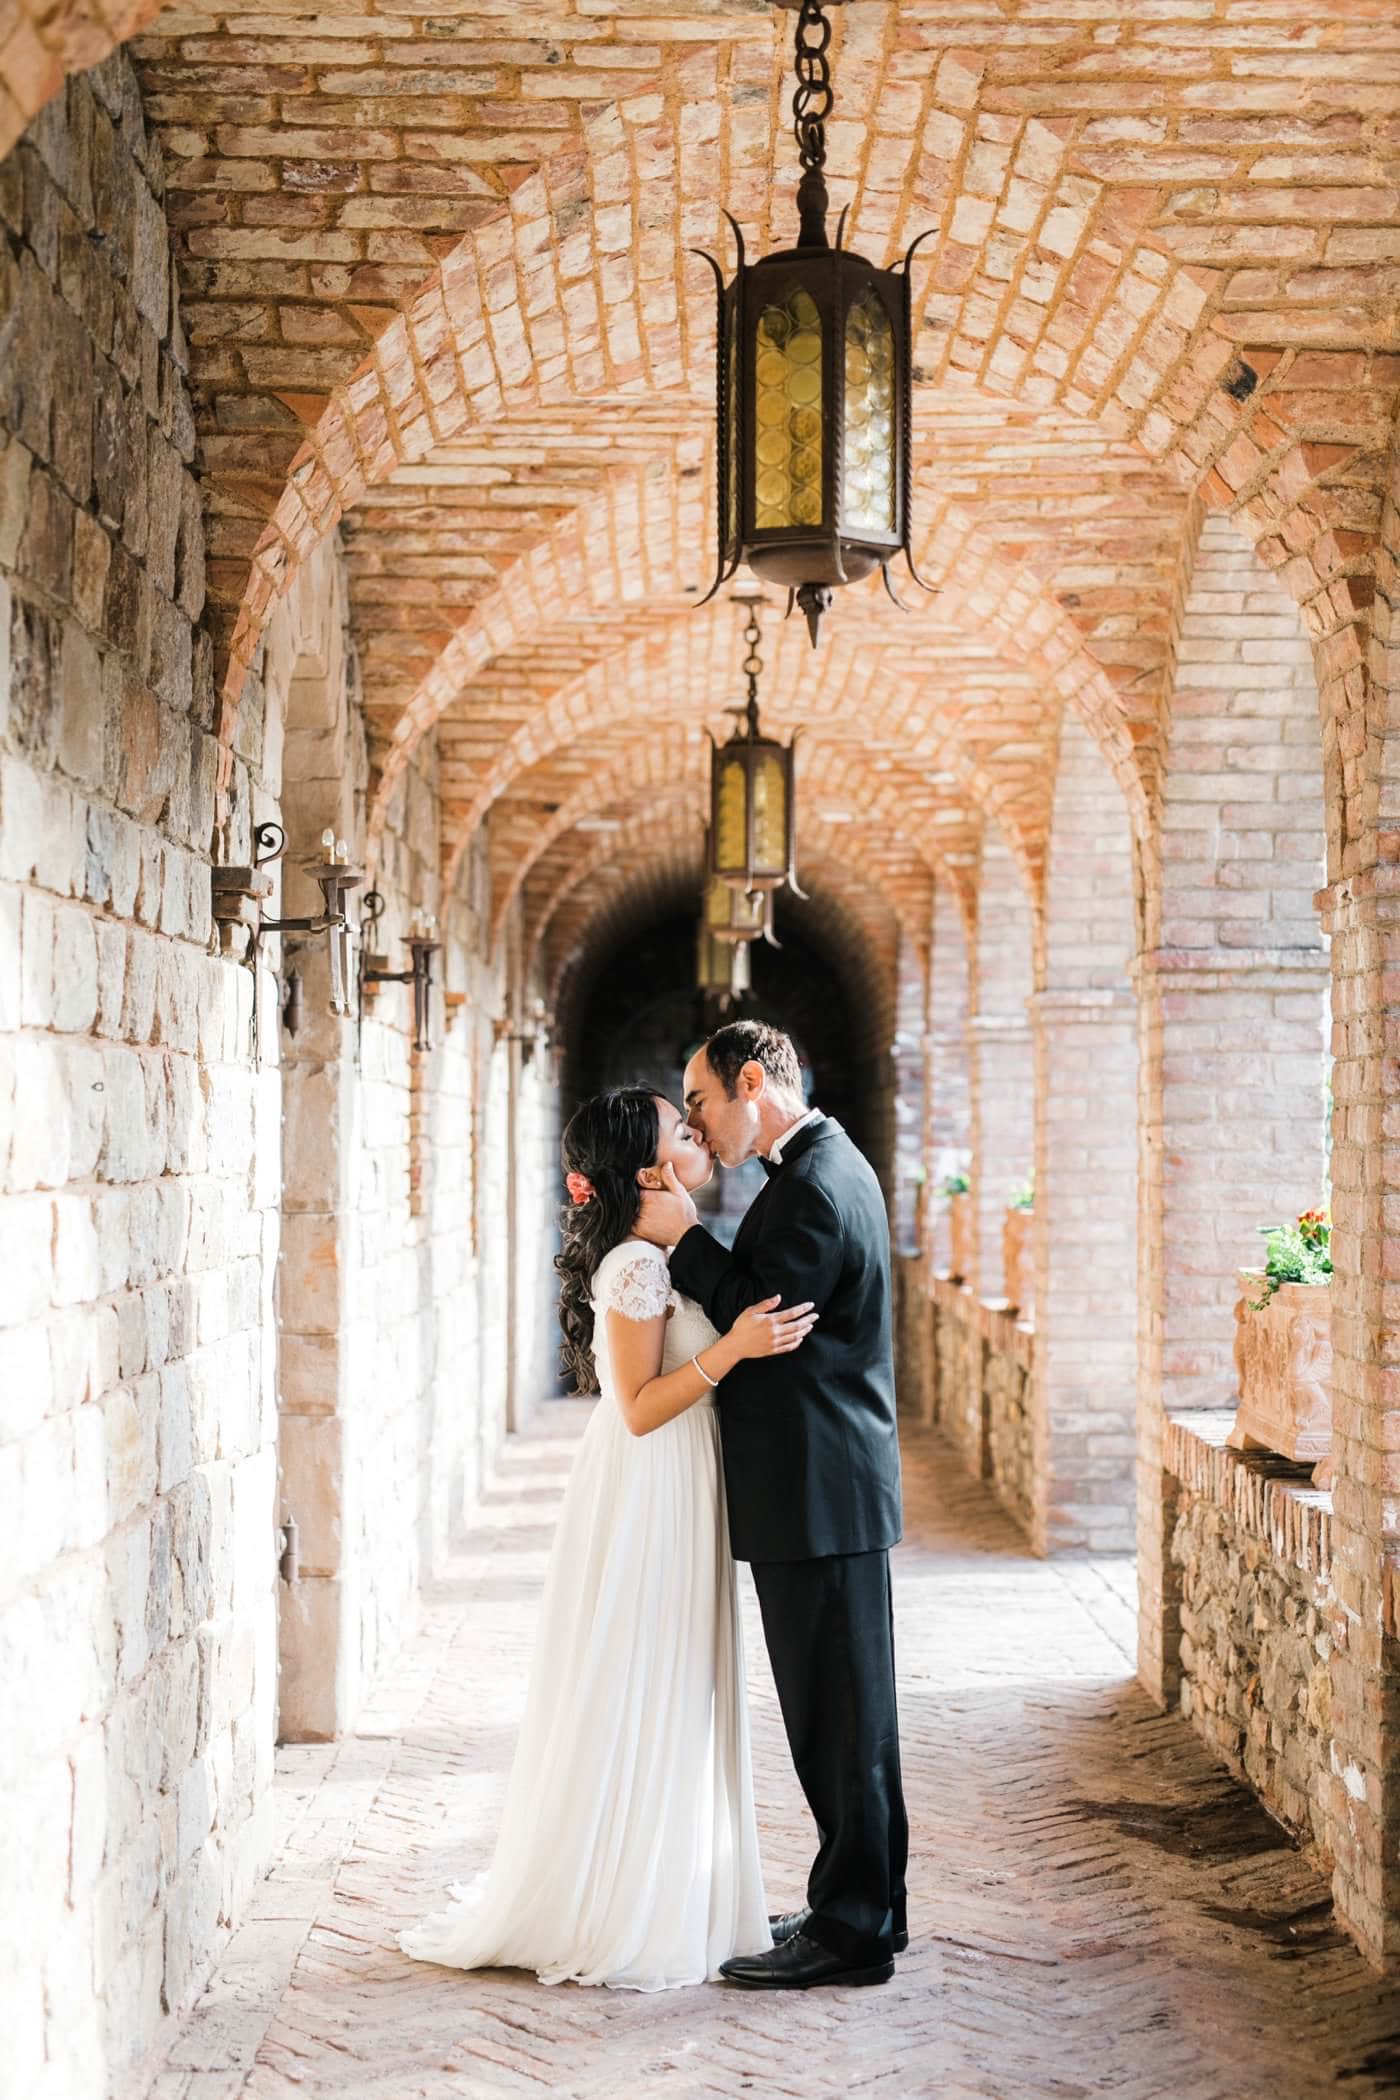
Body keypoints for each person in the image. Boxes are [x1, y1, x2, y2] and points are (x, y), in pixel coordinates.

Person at [398, 1085, 817, 1991]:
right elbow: (635, 1410)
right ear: (648, 1170)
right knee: (650, 1676)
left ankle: (669, 1882)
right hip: (651, 1484)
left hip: (683, 1477)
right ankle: (625, 1902)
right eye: (681, 1129)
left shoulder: (665, 1251)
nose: (699, 1134)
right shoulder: (636, 1264)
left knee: (676, 1677)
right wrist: (734, 1348)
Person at [634, 1019, 909, 1991]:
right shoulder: (822, 1170)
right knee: (847, 1722)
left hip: (816, 1494)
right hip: (825, 1489)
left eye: (703, 1101)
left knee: (836, 1725)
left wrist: (681, 1242)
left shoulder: (814, 1188)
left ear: (753, 1081)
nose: (702, 1126)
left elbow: (763, 1318)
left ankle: (848, 1929)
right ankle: (862, 1907)